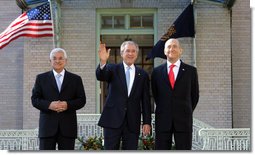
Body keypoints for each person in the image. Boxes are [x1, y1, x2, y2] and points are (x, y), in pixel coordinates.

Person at [96, 41, 151, 150]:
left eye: (133, 51)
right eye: (127, 51)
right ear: (122, 53)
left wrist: (146, 122)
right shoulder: (112, 69)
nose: (130, 54)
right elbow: (101, 76)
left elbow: (145, 100)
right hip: (112, 119)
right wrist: (103, 61)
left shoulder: (143, 74)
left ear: (137, 54)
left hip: (132, 122)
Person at [31, 48, 86, 150]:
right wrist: (49, 105)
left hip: (68, 128)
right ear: (50, 61)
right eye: (54, 58)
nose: (57, 61)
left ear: (66, 61)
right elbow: (35, 100)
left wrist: (67, 105)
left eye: (61, 58)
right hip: (47, 127)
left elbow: (82, 100)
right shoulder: (41, 78)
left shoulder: (76, 79)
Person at [151, 38, 199, 150]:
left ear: (180, 50)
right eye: (168, 46)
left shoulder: (191, 71)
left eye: (174, 46)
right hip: (163, 119)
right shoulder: (156, 72)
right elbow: (155, 94)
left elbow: (194, 95)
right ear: (164, 51)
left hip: (183, 119)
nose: (171, 49)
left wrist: (184, 110)